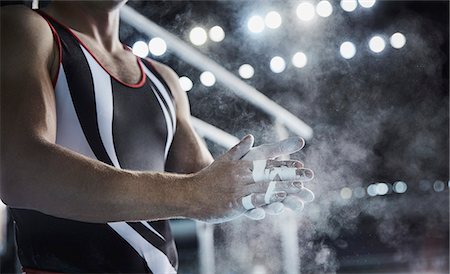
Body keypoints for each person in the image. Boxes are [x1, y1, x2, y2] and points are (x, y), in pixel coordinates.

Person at [0, 1, 315, 273]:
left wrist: (247, 181)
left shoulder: (163, 79)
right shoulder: (26, 28)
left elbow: (206, 181)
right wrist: (195, 193)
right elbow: (18, 171)